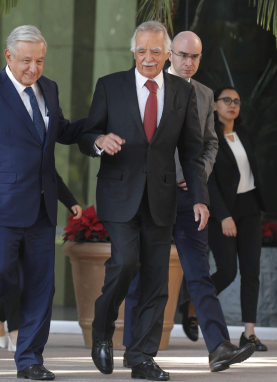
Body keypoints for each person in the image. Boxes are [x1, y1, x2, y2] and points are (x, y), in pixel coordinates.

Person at [77, 21, 213, 381]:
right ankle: (103, 330)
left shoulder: (182, 94)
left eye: (155, 51)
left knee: (156, 281)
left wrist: (200, 198)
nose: (148, 57)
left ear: (167, 53)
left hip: (162, 197)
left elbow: (193, 152)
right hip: (119, 193)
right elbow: (87, 132)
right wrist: (99, 141)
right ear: (133, 51)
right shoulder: (110, 86)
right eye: (141, 50)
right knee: (124, 264)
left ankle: (141, 357)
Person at [122, 31, 255, 372]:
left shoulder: (204, 93)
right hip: (150, 196)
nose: (188, 63)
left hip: (187, 197)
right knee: (143, 272)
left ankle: (218, 347)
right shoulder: (146, 86)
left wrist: (196, 175)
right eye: (182, 55)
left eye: (194, 57)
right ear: (168, 54)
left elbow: (210, 143)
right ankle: (133, 348)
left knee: (199, 274)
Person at [0, 25, 86, 380]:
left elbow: (61, 132)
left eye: (40, 61)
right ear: (9, 56)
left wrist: (100, 127)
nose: (34, 68)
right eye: (27, 60)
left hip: (42, 208)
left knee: (42, 285)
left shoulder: (50, 89)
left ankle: (29, 359)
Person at [0, 173, 83, 353]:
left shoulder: (38, 145)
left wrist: (70, 200)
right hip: (5, 210)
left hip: (38, 217)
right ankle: (16, 330)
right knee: (9, 271)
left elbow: (50, 173)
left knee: (34, 277)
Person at [208, 87, 267, 351]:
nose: (232, 105)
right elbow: (209, 182)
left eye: (237, 101)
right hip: (225, 211)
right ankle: (192, 302)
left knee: (251, 272)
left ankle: (249, 334)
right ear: (214, 105)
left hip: (251, 207)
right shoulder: (209, 136)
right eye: (226, 100)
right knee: (228, 271)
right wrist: (223, 216)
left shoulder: (244, 133)